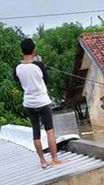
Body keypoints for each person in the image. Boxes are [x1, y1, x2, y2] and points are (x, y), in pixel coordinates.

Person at [14, 38, 66, 169]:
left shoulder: (17, 67)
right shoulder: (39, 65)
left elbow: (17, 80)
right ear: (34, 50)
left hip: (29, 103)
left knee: (35, 132)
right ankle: (55, 159)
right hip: (42, 101)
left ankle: (43, 161)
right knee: (50, 130)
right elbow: (46, 81)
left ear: (21, 51)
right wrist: (40, 63)